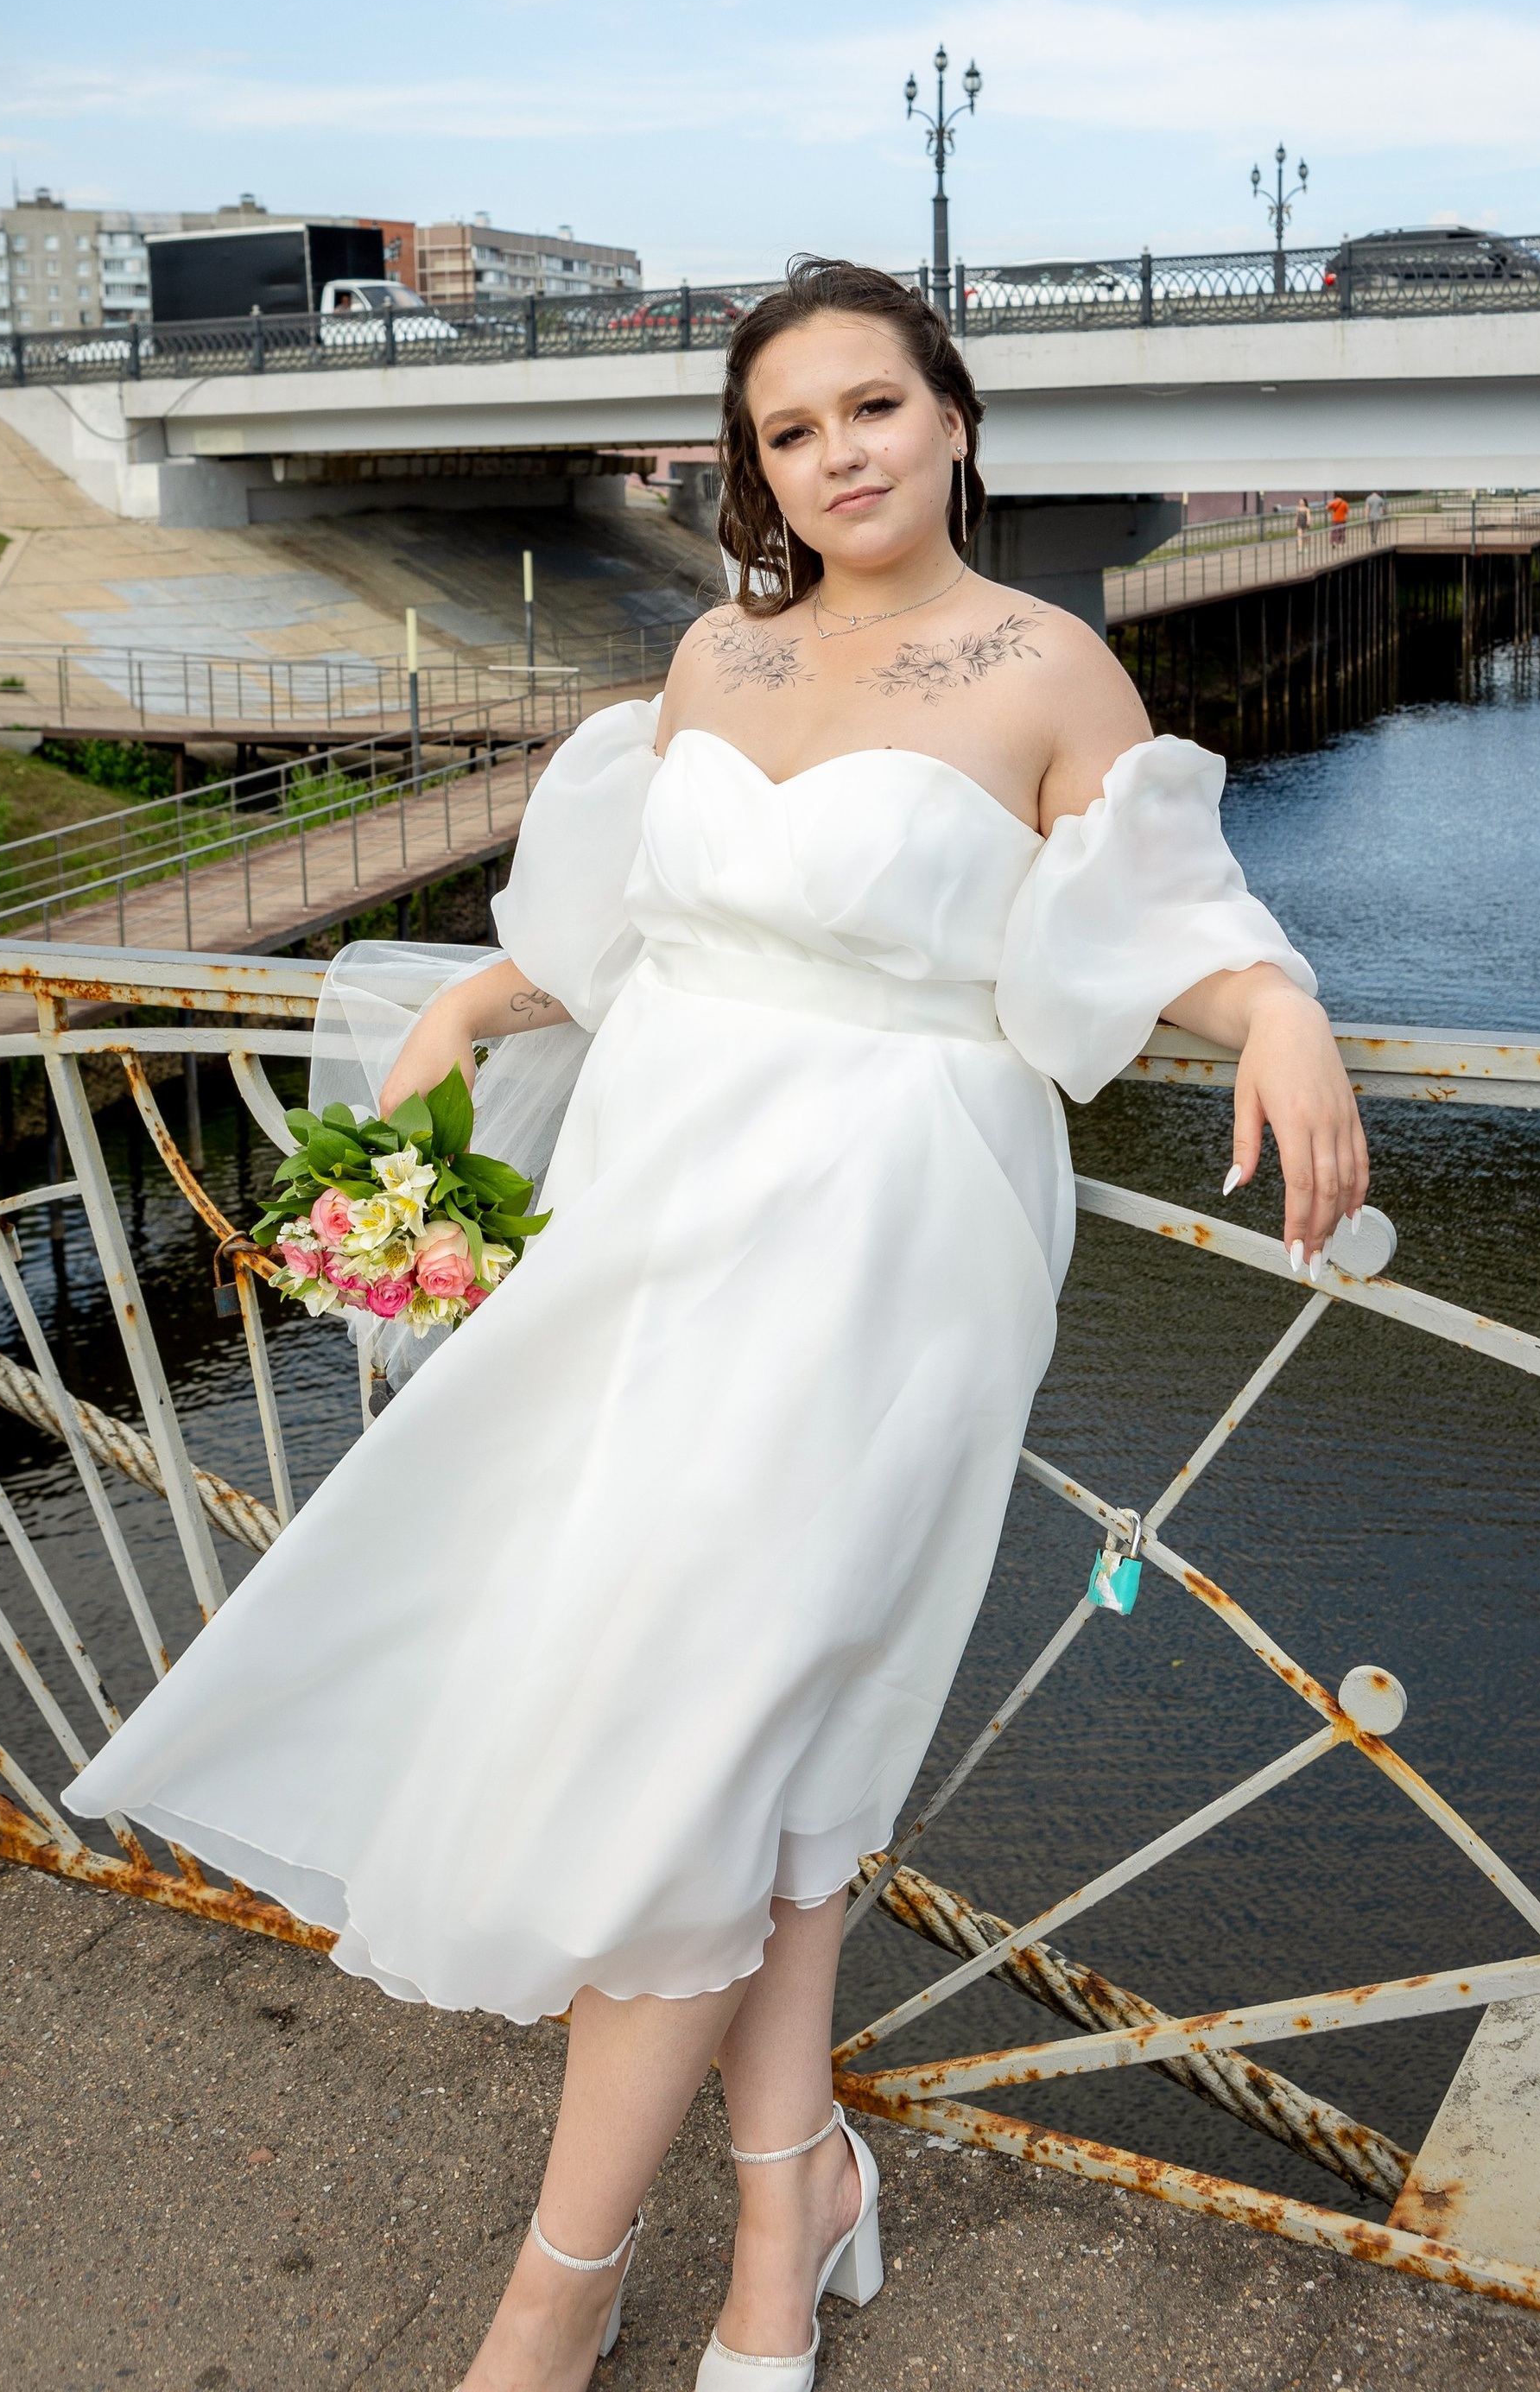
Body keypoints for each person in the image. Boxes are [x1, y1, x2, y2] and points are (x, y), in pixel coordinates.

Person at [67, 257, 1367, 2392]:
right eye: (789, 428)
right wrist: (476, 1001)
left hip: (885, 1223)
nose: (837, 453)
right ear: (748, 462)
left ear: (950, 416)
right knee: (755, 1748)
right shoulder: (708, 647)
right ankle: (787, 2211)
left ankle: (547, 2304)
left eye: (873, 406)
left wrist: (1283, 1004)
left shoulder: (1050, 664)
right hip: (657, 1199)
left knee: (705, 1725)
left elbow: (1152, 922)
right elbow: (632, 929)